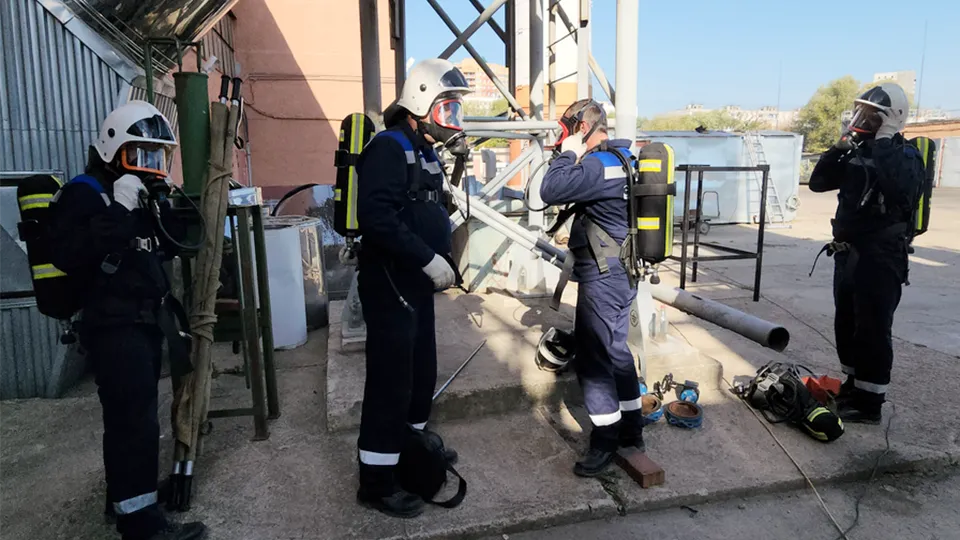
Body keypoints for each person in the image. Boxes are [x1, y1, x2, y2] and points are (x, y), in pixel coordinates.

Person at [47, 101, 207, 540]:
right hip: (113, 327)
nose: (150, 168)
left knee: (133, 420)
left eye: (158, 157)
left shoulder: (135, 195)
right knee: (132, 424)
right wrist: (119, 213)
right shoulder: (85, 193)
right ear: (113, 148)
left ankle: (129, 499)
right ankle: (142, 527)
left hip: (140, 323)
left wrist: (159, 206)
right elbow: (67, 253)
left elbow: (172, 245)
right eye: (140, 156)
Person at [353, 58, 469, 518]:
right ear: (420, 103)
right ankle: (377, 481)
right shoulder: (388, 146)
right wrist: (426, 258)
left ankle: (411, 448)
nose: (453, 122)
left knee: (422, 371)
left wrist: (444, 246)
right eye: (448, 110)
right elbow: (376, 218)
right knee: (390, 381)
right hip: (390, 281)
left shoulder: (423, 149)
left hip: (416, 282)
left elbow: (426, 208)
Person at [539, 100, 646, 477]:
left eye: (567, 129)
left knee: (595, 358)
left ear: (583, 126)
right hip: (623, 270)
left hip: (604, 276)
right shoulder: (623, 158)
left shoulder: (599, 165)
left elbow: (549, 190)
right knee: (617, 351)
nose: (562, 136)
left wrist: (566, 155)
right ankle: (633, 430)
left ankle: (605, 440)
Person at [809, 82, 924, 424]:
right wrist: (839, 145)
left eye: (874, 116)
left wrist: (886, 140)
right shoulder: (859, 152)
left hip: (881, 256)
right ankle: (853, 384)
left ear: (892, 118)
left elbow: (901, 191)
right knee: (847, 322)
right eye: (864, 113)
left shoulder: (904, 156)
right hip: (848, 254)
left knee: (873, 327)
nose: (866, 121)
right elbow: (818, 182)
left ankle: (870, 402)